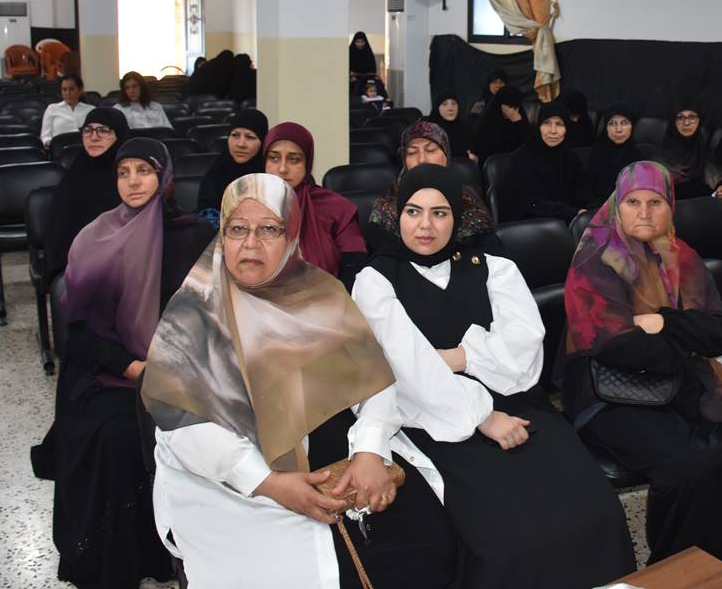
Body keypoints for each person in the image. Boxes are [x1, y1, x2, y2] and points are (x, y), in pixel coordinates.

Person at [142, 173, 458, 589]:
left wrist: (369, 451)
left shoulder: (321, 294)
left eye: (268, 229)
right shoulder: (194, 315)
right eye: (237, 229)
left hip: (335, 447)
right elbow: (185, 426)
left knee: (426, 540)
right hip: (234, 473)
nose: (250, 244)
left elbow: (374, 381)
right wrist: (270, 483)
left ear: (291, 235)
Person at [353, 164, 636, 589]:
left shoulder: (494, 268)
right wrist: (482, 415)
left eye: (439, 213)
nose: (425, 225)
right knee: (510, 540)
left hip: (516, 401)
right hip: (435, 417)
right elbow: (404, 370)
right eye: (413, 212)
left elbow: (524, 350)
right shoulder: (374, 280)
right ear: (397, 216)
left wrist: (458, 356)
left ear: (457, 217)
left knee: (596, 512)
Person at [563, 160, 722, 588]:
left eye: (655, 202)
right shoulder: (595, 260)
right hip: (608, 392)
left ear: (670, 206)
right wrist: (688, 337)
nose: (644, 213)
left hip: (683, 375)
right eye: (633, 202)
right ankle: (678, 576)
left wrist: (662, 321)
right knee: (687, 467)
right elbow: (617, 346)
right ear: (617, 206)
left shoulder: (681, 254)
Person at [32, 138, 215, 588]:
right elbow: (81, 333)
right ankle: (124, 557)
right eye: (123, 172)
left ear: (164, 176)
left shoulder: (193, 236)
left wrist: (172, 367)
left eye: (144, 170)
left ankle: (188, 545)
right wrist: (133, 368)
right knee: (116, 434)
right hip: (111, 371)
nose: (133, 181)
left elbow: (209, 317)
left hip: (182, 367)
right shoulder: (96, 237)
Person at [364, 120, 498, 254]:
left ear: (446, 155)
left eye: (431, 150)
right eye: (412, 152)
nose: (422, 159)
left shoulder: (469, 202)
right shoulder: (386, 210)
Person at [263, 121, 367, 288]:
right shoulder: (249, 206)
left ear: (307, 163)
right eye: (274, 158)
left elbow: (355, 270)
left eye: (294, 159)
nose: (282, 169)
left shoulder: (337, 208)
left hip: (328, 299)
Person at [45, 107, 130, 280]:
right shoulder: (75, 175)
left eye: (103, 130)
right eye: (88, 130)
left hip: (128, 262)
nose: (94, 137)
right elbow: (59, 235)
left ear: (119, 135)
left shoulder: (131, 176)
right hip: (77, 265)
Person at [500, 101, 590, 223]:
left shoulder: (571, 158)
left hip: (567, 222)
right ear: (539, 126)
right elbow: (532, 204)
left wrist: (587, 212)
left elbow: (583, 193)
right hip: (528, 225)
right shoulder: (520, 159)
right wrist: (573, 213)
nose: (553, 131)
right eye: (546, 123)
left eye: (559, 124)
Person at [196, 108, 269, 227]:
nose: (241, 144)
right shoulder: (216, 173)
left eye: (250, 137)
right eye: (235, 135)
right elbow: (205, 217)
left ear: (263, 141)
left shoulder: (269, 177)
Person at [659, 102, 722, 200]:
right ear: (673, 122)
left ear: (699, 121)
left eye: (692, 117)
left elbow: (720, 178)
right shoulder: (660, 158)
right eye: (680, 118)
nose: (686, 123)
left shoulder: (704, 153)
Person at [587, 103, 640, 204]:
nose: (618, 130)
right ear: (605, 127)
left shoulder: (639, 158)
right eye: (612, 123)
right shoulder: (595, 156)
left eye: (624, 123)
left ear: (632, 126)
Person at [470, 84, 529, 162]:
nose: (512, 111)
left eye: (515, 107)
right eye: (509, 106)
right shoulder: (486, 122)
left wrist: (518, 122)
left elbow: (528, 146)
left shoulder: (520, 118)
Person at [40, 74, 96, 146]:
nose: (67, 93)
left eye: (71, 89)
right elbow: (45, 136)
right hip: (60, 149)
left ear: (80, 90)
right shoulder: (52, 109)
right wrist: (51, 143)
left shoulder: (91, 110)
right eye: (64, 89)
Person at [425, 90, 475, 160]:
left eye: (454, 104)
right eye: (444, 104)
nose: (450, 108)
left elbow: (475, 154)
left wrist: (474, 159)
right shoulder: (429, 129)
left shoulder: (466, 127)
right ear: (437, 107)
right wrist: (465, 156)